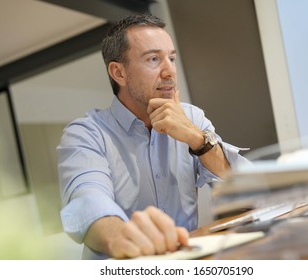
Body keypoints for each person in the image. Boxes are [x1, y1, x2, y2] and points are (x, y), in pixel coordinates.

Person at [57, 13, 250, 260]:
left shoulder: (191, 118)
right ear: (119, 73)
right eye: (153, 59)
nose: (169, 71)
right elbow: (88, 202)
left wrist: (198, 140)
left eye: (171, 58)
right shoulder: (85, 134)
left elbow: (247, 189)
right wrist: (122, 238)